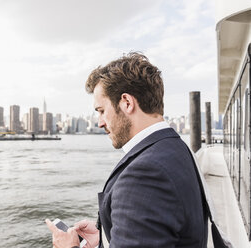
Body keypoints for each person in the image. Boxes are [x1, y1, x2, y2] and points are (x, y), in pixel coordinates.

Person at [46, 52, 207, 248]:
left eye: (102, 111)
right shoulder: (176, 147)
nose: (100, 123)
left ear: (127, 103)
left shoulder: (143, 176)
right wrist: (107, 237)